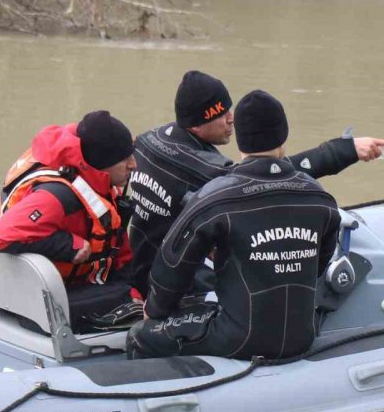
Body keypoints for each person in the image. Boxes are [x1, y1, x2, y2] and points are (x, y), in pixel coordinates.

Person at [127, 70, 384, 294]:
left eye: (229, 108)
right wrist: (343, 150)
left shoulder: (149, 139)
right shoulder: (207, 169)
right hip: (166, 283)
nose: (231, 118)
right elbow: (269, 175)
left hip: (140, 263)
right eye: (221, 114)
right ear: (197, 125)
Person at [127, 90, 341, 361]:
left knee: (139, 336)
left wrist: (155, 310)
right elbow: (319, 265)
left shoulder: (215, 198)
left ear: (240, 139)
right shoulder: (319, 197)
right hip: (303, 336)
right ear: (284, 135)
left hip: (237, 339)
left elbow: (173, 263)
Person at [0, 110, 142, 333]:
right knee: (131, 303)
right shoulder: (57, 195)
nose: (133, 164)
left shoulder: (96, 183)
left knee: (137, 291)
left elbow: (117, 246)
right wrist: (68, 245)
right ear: (101, 162)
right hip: (29, 300)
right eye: (124, 158)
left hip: (54, 284)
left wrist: (135, 287)